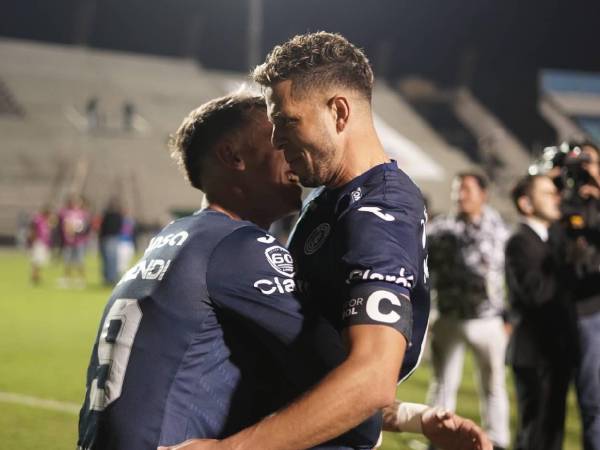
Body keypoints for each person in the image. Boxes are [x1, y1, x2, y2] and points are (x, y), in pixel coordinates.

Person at [164, 32, 491, 450]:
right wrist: (415, 418)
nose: (276, 140)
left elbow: (371, 378)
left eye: (285, 121)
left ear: (338, 112)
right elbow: (321, 367)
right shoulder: (328, 199)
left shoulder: (380, 211)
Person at [77, 91, 384, 450]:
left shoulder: (178, 238)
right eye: (277, 138)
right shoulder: (237, 246)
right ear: (232, 156)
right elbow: (353, 395)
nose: (293, 149)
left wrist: (413, 417)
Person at [426, 172, 510, 450]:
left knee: (494, 385)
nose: (460, 196)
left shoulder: (499, 228)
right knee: (443, 384)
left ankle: (497, 440)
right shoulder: (441, 230)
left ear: (483, 195)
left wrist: (510, 317)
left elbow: (511, 274)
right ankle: (438, 439)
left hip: (488, 320)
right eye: (457, 190)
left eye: (467, 190)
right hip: (449, 316)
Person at [505, 175, 578, 450]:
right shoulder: (519, 241)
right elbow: (536, 293)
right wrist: (566, 264)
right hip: (533, 354)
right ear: (526, 203)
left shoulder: (551, 237)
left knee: (553, 432)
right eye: (547, 193)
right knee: (534, 434)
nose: (556, 198)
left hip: (556, 351)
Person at [558, 142, 600, 450]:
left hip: (593, 305)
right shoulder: (562, 200)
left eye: (591, 161)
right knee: (588, 399)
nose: (584, 168)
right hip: (574, 309)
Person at [58, 195, 91, 287]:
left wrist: (78, 232)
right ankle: (66, 278)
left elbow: (85, 227)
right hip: (68, 240)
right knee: (67, 260)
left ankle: (81, 279)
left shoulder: (83, 213)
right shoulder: (65, 213)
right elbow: (63, 225)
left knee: (80, 260)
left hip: (79, 240)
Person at [98, 199, 123, 285]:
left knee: (110, 259)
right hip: (111, 238)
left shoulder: (111, 215)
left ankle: (111, 278)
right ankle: (110, 278)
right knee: (110, 259)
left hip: (110, 238)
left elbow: (103, 228)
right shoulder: (113, 215)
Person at [28, 205, 54, 284]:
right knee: (37, 260)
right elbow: (32, 228)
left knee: (40, 261)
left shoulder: (46, 220)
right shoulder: (38, 219)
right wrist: (33, 239)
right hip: (39, 242)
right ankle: (34, 277)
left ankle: (37, 276)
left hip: (44, 243)